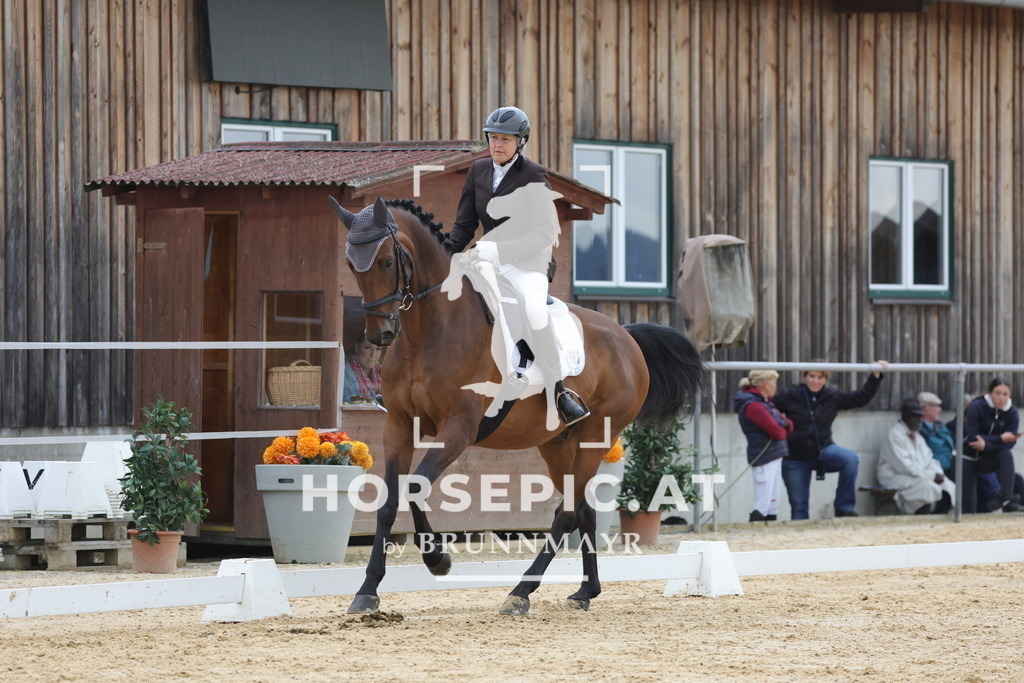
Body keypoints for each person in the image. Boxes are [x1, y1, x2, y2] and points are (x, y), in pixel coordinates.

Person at [443, 105, 588, 427]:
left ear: (520, 142)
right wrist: (448, 255)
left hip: (527, 262)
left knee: (534, 310)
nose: (497, 145)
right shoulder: (477, 171)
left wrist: (501, 250)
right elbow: (465, 225)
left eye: (505, 140)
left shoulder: (533, 174)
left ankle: (559, 390)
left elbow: (543, 232)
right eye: (493, 138)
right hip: (486, 258)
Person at [773, 360, 890, 519]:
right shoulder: (790, 395)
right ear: (805, 377)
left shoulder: (832, 396)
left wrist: (875, 375)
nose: (815, 381)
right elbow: (767, 409)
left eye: (820, 377)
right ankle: (801, 540)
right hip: (795, 457)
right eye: (812, 376)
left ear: (825, 379)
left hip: (823, 450)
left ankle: (844, 508)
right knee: (799, 508)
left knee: (850, 459)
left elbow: (860, 398)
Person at [733, 370, 793, 522]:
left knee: (773, 501)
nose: (775, 386)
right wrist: (784, 424)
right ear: (764, 384)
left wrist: (784, 425)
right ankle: (754, 529)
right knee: (763, 501)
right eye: (773, 382)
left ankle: (770, 529)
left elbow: (790, 425)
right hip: (764, 456)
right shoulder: (754, 406)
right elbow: (777, 432)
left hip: (775, 454)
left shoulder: (765, 402)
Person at [877, 398, 955, 514]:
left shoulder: (917, 437)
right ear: (906, 416)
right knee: (926, 488)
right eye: (916, 417)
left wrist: (938, 473)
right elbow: (903, 466)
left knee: (948, 486)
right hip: (896, 477)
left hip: (917, 476)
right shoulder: (894, 435)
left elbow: (930, 459)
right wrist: (931, 476)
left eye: (920, 416)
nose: (920, 421)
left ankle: (938, 522)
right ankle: (922, 520)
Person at [960, 378, 1023, 513]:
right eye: (997, 393)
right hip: (966, 457)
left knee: (1006, 455)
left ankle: (1006, 499)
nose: (1001, 398)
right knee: (968, 503)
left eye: (1005, 394)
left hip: (987, 458)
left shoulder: (1012, 412)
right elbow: (973, 438)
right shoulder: (976, 406)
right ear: (990, 393)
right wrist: (1000, 438)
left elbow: (1010, 443)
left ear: (1009, 395)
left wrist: (987, 445)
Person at [918, 391, 956, 479]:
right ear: (927, 409)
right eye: (936, 406)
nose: (940, 409)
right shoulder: (920, 429)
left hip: (951, 466)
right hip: (938, 471)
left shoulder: (940, 425)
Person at [343, 332, 383, 404]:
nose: (373, 355)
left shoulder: (384, 373)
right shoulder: (342, 374)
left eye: (378, 349)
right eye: (368, 348)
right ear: (357, 347)